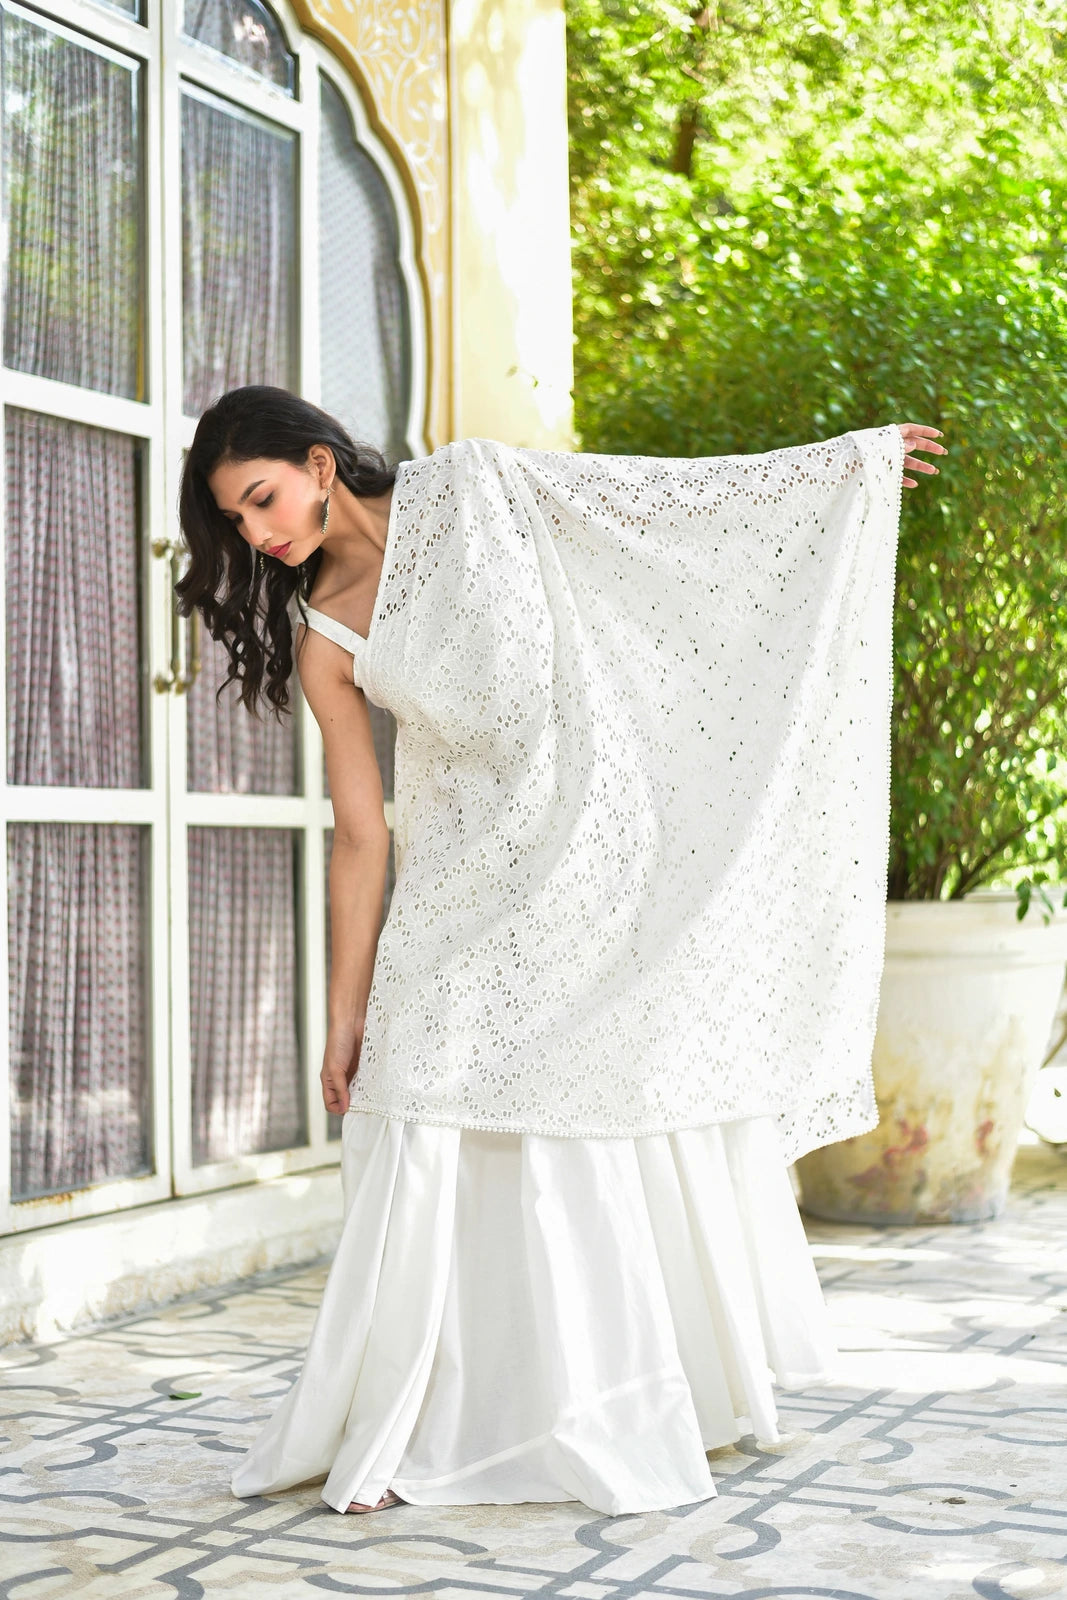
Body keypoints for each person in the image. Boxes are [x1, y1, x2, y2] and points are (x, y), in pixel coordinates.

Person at [176, 385, 945, 1517]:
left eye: (260, 498)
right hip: (455, 894)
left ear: (319, 461)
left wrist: (838, 471)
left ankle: (619, 1397)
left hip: (584, 858)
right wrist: (344, 1012)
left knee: (585, 1103)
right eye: (238, 522)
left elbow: (658, 516)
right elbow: (359, 831)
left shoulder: (477, 486)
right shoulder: (323, 629)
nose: (256, 533)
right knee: (420, 1097)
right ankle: (421, 1416)